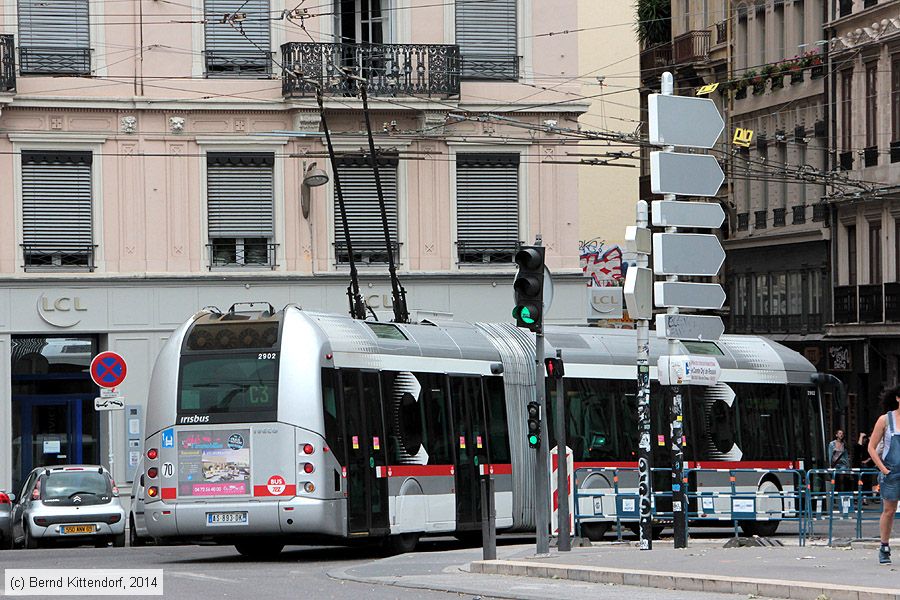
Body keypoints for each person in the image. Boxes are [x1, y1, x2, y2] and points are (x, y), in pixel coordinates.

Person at [868, 386, 900, 565]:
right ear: (898, 399)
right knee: (889, 511)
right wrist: (883, 469)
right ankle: (884, 546)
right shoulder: (885, 420)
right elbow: (871, 447)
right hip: (891, 471)